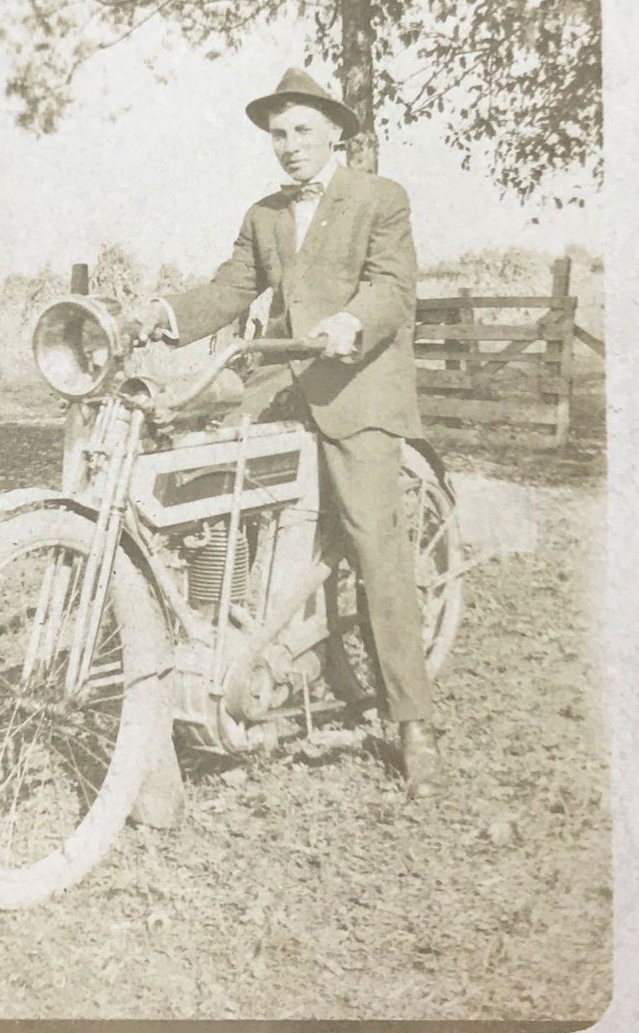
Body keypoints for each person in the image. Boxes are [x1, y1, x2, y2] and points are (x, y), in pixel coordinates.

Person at [132, 67, 442, 800]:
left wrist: (350, 322)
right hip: (280, 385)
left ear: (336, 131)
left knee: (374, 540)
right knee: (211, 489)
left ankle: (413, 722)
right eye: (279, 133)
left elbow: (393, 290)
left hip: (357, 384)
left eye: (303, 129)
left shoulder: (380, 197)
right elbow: (227, 291)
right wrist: (160, 317)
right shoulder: (265, 214)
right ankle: (227, 646)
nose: (290, 145)